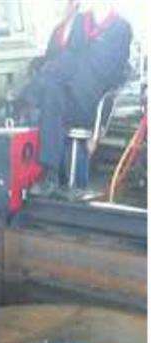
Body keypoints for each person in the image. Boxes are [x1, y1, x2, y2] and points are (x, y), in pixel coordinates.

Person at [21, 0, 132, 196]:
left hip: (92, 101)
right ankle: (51, 174)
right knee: (53, 90)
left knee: (60, 73)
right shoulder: (81, 21)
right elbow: (66, 53)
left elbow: (111, 69)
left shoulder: (121, 28)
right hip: (67, 94)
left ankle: (24, 99)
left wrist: (77, 64)